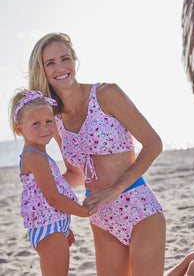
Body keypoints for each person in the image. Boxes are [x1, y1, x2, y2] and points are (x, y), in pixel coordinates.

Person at [28, 32, 166, 276]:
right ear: (42, 71)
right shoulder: (55, 119)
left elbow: (153, 143)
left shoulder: (106, 94)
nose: (60, 67)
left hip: (138, 206)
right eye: (50, 63)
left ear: (74, 60)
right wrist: (41, 188)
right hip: (100, 217)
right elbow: (76, 173)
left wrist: (115, 190)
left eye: (65, 58)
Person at [9, 89, 89, 276]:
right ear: (20, 129)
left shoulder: (39, 154)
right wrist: (84, 212)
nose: (45, 128)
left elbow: (43, 199)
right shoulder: (34, 157)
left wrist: (63, 225)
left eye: (48, 121)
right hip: (48, 229)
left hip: (53, 225)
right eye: (36, 123)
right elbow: (53, 197)